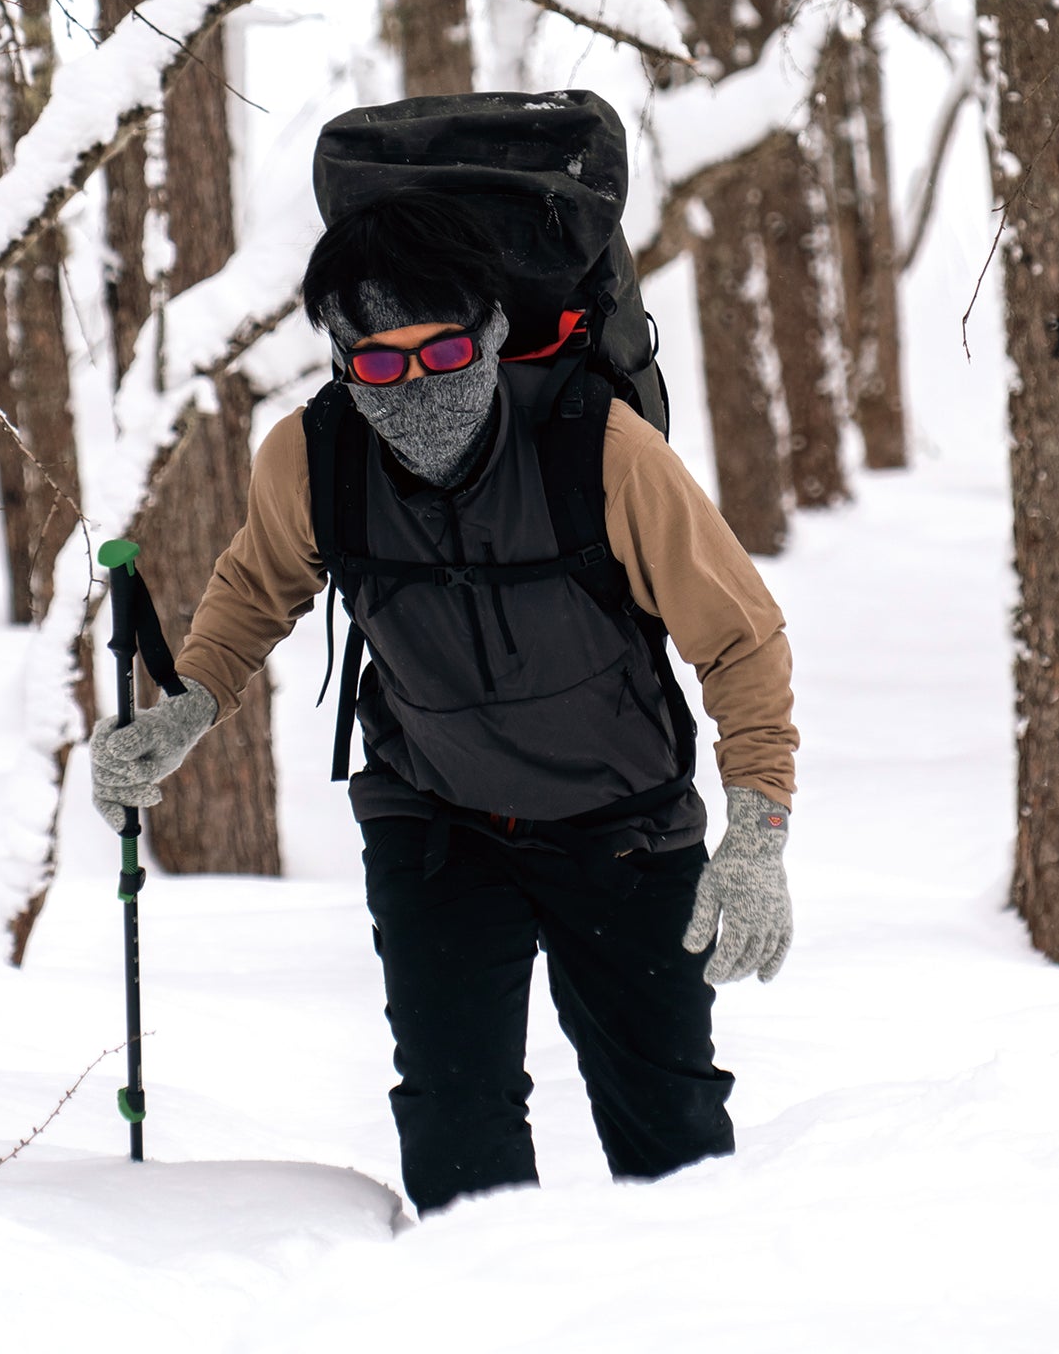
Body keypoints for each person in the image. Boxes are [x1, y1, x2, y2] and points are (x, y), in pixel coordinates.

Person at [90, 188, 798, 1214]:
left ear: (492, 335)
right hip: (437, 823)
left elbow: (739, 639)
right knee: (454, 1113)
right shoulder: (316, 455)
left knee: (669, 1120)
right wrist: (188, 704)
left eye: (444, 355)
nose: (414, 387)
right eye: (378, 363)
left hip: (623, 830)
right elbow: (257, 586)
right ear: (340, 356)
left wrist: (758, 832)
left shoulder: (600, 450)